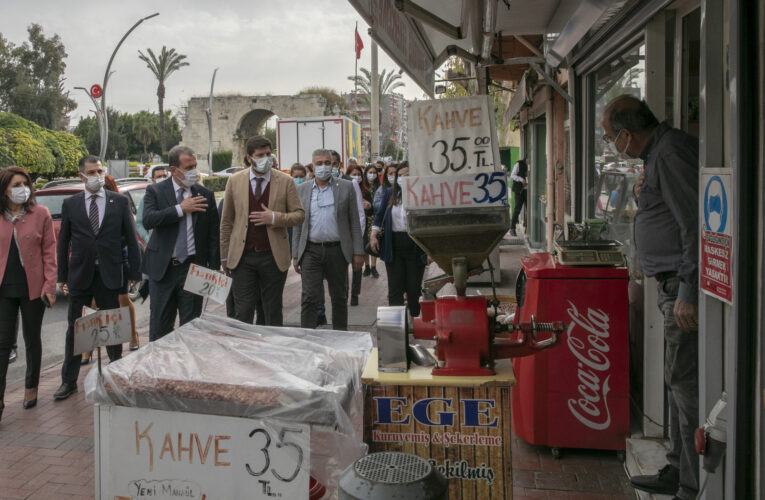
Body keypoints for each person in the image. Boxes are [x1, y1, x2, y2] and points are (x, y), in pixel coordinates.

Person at [601, 96, 699, 500]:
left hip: (682, 286)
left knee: (685, 384)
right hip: (671, 283)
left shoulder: (670, 153)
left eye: (611, 137)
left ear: (627, 134)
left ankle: (691, 483)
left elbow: (697, 224)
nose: (611, 145)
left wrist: (690, 290)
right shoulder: (658, 156)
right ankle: (676, 468)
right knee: (675, 381)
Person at [55, 155, 141, 400]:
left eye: (100, 171)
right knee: (75, 328)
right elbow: (64, 243)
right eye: (92, 172)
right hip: (81, 274)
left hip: (110, 273)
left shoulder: (119, 202)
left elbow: (131, 239)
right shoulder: (71, 204)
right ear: (82, 176)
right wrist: (62, 275)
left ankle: (115, 372)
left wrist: (134, 272)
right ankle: (68, 381)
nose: (97, 176)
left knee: (113, 326)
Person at [220, 135, 304, 326]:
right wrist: (224, 256)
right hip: (243, 257)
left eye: (268, 154)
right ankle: (245, 351)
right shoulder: (235, 181)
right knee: (243, 310)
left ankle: (271, 351)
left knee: (272, 311)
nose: (266, 158)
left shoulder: (285, 181)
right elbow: (226, 222)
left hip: (272, 257)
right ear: (249, 158)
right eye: (260, 155)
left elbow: (299, 215)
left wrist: (274, 217)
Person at [142, 145, 220, 342]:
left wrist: (213, 268)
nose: (193, 171)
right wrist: (179, 209)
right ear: (174, 170)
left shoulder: (205, 194)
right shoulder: (156, 191)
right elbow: (149, 219)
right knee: (160, 327)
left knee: (192, 327)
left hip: (193, 268)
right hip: (163, 269)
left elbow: (213, 235)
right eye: (188, 167)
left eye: (195, 166)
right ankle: (160, 368)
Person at [0, 167, 56, 418]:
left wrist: (50, 286)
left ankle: (31, 386)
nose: (22, 188)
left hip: (33, 288)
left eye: (25, 183)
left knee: (32, 339)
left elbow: (49, 253)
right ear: (4, 190)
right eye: (16, 184)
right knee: (2, 345)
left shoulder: (40, 213)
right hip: (4, 289)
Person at [292, 149, 364, 330]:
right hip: (310, 251)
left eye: (327, 163)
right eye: (319, 163)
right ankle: (308, 336)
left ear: (334, 165)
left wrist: (358, 252)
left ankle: (340, 335)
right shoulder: (302, 189)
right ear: (313, 166)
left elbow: (354, 222)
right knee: (309, 296)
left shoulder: (346, 187)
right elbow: (298, 224)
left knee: (339, 296)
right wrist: (295, 254)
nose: (323, 167)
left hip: (337, 251)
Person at [370, 162, 427, 317]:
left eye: (406, 175)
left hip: (415, 245)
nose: (403, 179)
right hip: (394, 245)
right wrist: (373, 235)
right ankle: (397, 327)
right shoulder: (390, 193)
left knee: (413, 289)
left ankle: (415, 321)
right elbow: (380, 215)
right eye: (400, 176)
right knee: (395, 289)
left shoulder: (422, 192)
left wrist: (431, 250)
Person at [347, 164, 372, 306]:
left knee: (357, 265)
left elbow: (369, 212)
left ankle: (355, 293)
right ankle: (345, 291)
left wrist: (368, 207)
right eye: (353, 174)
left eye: (358, 174)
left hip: (360, 231)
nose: (356, 177)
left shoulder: (365, 191)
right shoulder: (342, 187)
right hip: (345, 232)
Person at [136, 165, 169, 244]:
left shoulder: (175, 195)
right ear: (153, 180)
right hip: (155, 244)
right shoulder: (147, 199)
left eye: (164, 176)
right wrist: (147, 239)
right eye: (159, 176)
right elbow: (139, 223)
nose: (162, 178)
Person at [362, 164, 381, 278]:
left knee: (374, 242)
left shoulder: (380, 186)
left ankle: (374, 267)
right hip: (365, 218)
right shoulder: (363, 187)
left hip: (375, 218)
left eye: (374, 172)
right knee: (365, 243)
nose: (372, 174)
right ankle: (367, 266)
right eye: (370, 172)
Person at [509, 156, 528, 237]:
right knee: (517, 209)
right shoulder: (519, 164)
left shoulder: (534, 165)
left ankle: (527, 226)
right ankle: (512, 228)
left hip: (528, 191)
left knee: (529, 210)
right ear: (526, 158)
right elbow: (512, 175)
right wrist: (521, 179)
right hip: (519, 191)